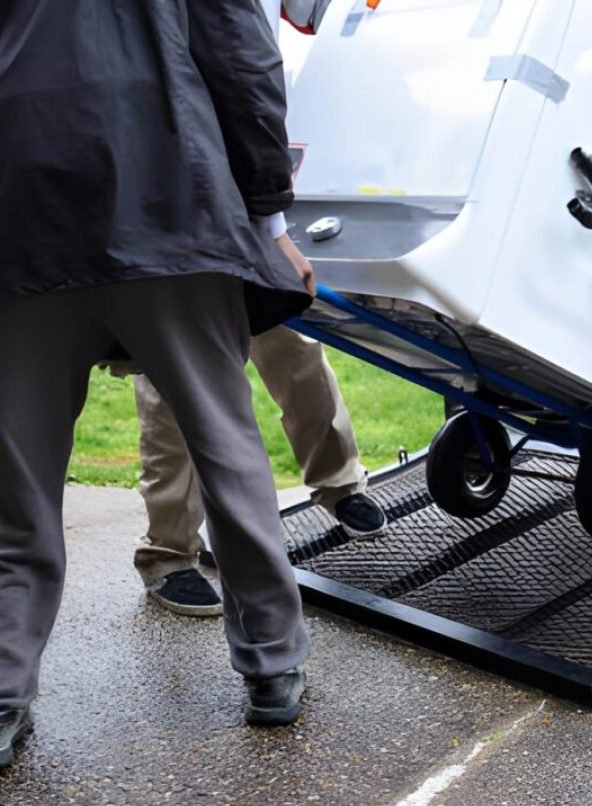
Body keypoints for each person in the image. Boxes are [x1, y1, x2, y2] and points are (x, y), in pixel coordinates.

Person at [0, 0, 317, 770]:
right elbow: (243, 58)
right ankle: (272, 665)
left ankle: (4, 695)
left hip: (22, 202)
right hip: (171, 192)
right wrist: (271, 220)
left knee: (17, 474)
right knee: (223, 443)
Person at [135, 0, 387, 619]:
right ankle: (168, 551)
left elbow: (311, 19)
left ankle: (338, 481)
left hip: (250, 175)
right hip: (163, 172)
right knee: (171, 377)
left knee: (290, 341)